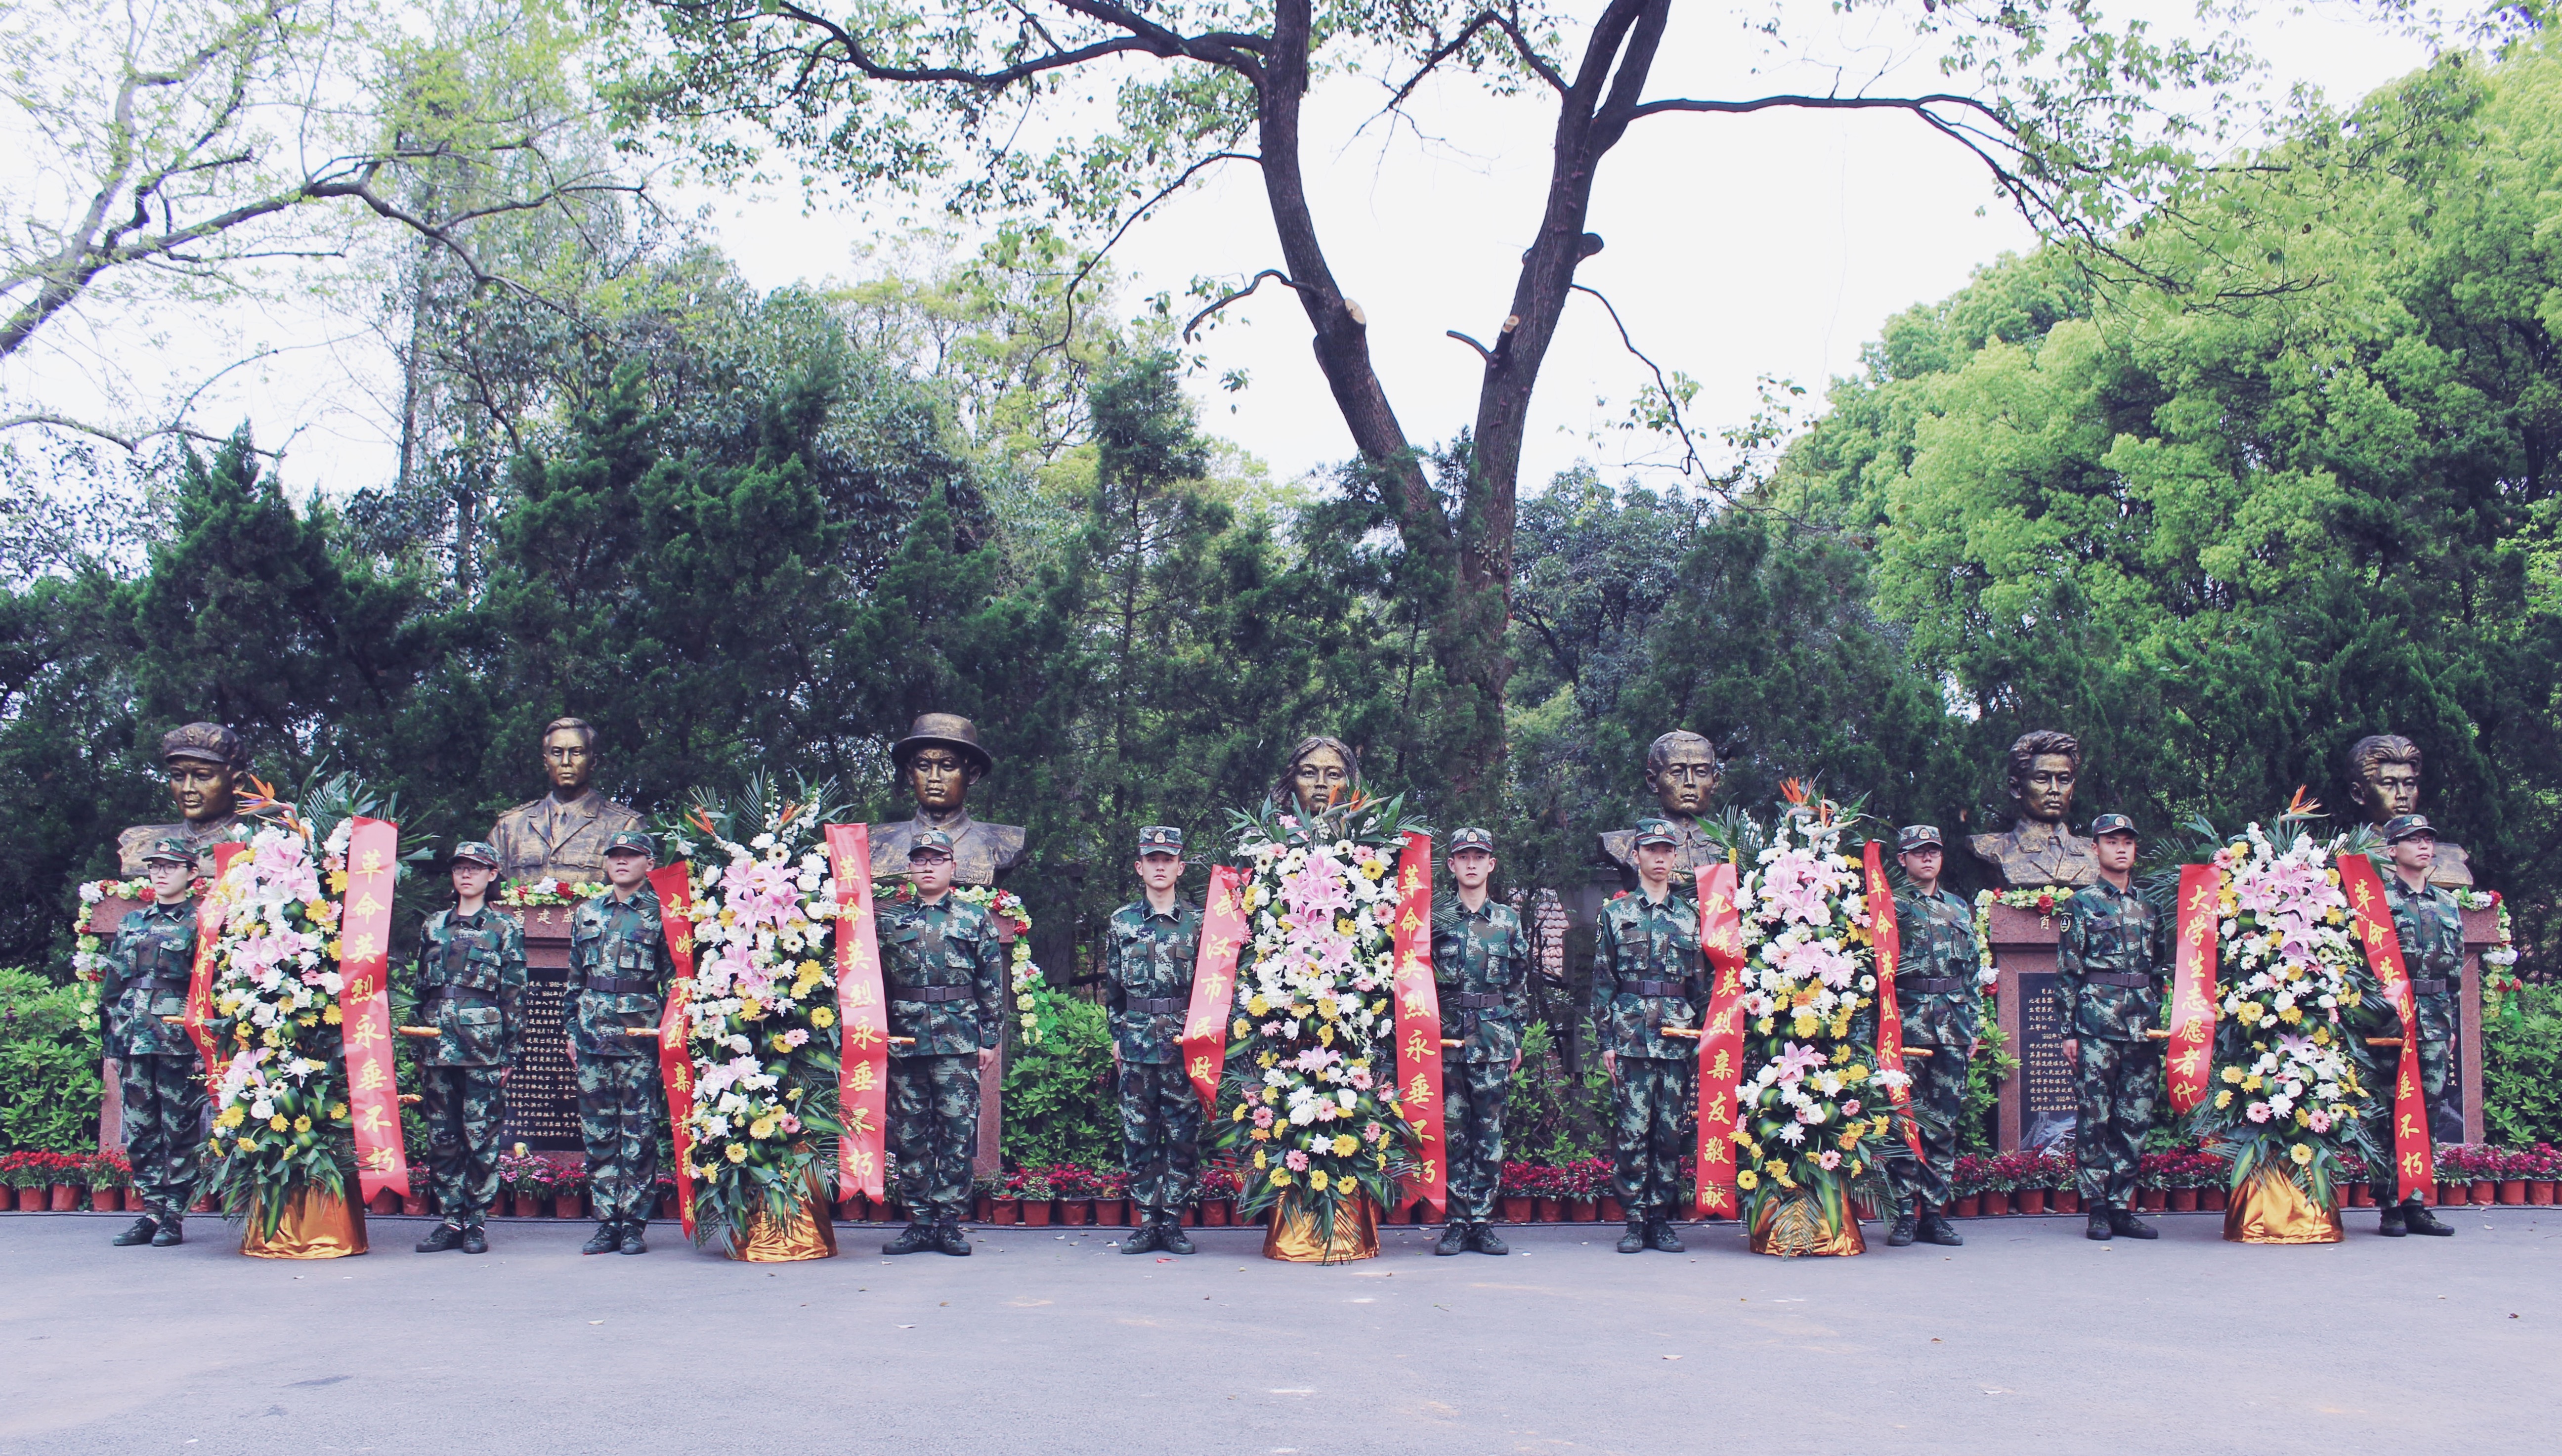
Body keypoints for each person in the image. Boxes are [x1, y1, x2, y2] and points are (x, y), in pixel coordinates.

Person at [879, 830, 1006, 1256]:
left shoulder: (973, 918)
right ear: (911, 867)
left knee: (956, 1130)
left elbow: (990, 983)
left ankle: (949, 1222)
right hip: (905, 1039)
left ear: (953, 867)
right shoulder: (889, 920)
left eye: (937, 859)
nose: (928, 866)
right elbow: (874, 984)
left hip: (957, 1040)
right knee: (910, 1133)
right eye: (920, 859)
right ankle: (919, 1221)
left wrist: (989, 1040)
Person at [1587, 819, 1705, 1254]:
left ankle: (1661, 1218)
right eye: (1651, 849)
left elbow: (1701, 984)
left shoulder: (1691, 917)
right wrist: (1606, 1044)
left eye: (1666, 850)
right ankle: (1635, 1219)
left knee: (1669, 1133)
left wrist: (1703, 1036)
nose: (1659, 857)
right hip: (1632, 1036)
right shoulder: (1615, 914)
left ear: (1675, 858)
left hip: (1677, 1036)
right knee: (1634, 1130)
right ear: (1636, 855)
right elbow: (1603, 982)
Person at [408, 841, 526, 1254]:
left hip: (483, 1046)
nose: (466, 875)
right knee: (442, 1137)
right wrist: (417, 1047)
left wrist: (510, 1053)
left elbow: (514, 992)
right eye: (460, 867)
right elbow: (421, 989)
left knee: (481, 1137)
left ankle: (476, 1222)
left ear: (492, 875)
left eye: (476, 868)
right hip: (437, 1045)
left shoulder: (504, 928)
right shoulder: (433, 926)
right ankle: (450, 1220)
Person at [2057, 814, 2165, 1241]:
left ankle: (2121, 1203)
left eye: (2127, 842)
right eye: (2111, 841)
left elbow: (2158, 968)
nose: (2121, 848)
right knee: (2095, 1117)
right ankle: (2097, 1206)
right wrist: (2067, 1032)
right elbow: (2068, 972)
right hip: (2096, 1024)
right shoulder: (2080, 905)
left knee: (2134, 1118)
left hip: (2142, 1026)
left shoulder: (2149, 906)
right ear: (2095, 849)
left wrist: (2159, 1013)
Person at [565, 831, 669, 1255]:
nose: (621, 862)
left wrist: (670, 1033)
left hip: (639, 1039)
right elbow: (575, 979)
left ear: (649, 862)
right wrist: (570, 1033)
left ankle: (634, 1224)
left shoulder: (663, 914)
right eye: (615, 856)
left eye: (631, 856)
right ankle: (607, 1221)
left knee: (639, 1133)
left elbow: (675, 979)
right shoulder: (587, 913)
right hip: (592, 1037)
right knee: (599, 1134)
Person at [1103, 826, 1204, 1255]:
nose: (1160, 866)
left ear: (1180, 867)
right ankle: (1148, 1220)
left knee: (1183, 1135)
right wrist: (1116, 1036)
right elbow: (1112, 989)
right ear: (1139, 867)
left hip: (1183, 1044)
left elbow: (1211, 987)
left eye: (1168, 859)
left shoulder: (1199, 924)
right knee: (1138, 1134)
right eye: (1152, 859)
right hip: (1139, 1042)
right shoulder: (1121, 922)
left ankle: (1174, 1222)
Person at [99, 838, 205, 1247]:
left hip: (176, 1037)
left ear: (191, 874)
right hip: (133, 1036)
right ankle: (150, 1210)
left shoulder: (199, 924)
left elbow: (206, 986)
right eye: (155, 866)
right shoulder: (131, 922)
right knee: (141, 1130)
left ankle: (174, 1215)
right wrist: (111, 1043)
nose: (160, 873)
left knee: (179, 1128)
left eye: (170, 866)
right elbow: (113, 987)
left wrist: (202, 1046)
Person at [1430, 827, 1531, 1256]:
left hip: (1493, 1039)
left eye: (1479, 856)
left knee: (1489, 1134)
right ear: (1451, 865)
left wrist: (1519, 1037)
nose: (1471, 863)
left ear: (1491, 865)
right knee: (1453, 1134)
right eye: (1463, 857)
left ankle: (1482, 1222)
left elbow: (1519, 982)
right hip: (1449, 1041)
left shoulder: (1508, 920)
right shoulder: (1435, 920)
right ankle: (1456, 1222)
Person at [1883, 824, 1979, 1249]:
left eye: (1934, 852)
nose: (1928, 858)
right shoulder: (1890, 907)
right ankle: (1905, 1212)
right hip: (1906, 1023)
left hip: (1952, 1024)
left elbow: (1972, 972)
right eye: (1918, 852)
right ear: (1902, 859)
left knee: (1942, 1124)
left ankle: (1934, 1215)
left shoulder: (1959, 908)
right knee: (1903, 1120)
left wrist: (1972, 1025)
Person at [2365, 814, 2460, 1237]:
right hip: (2391, 1020)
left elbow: (2454, 970)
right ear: (2392, 851)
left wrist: (2450, 1021)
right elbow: (2364, 969)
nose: (2423, 846)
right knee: (2389, 1112)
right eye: (2413, 840)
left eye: (2427, 839)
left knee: (2429, 1111)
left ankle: (2416, 1202)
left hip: (2435, 1019)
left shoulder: (2447, 904)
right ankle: (2389, 1206)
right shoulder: (2378, 903)